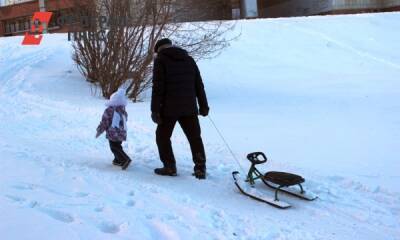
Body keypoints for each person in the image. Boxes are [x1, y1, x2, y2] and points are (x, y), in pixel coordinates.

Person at [151, 38, 209, 180]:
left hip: (168, 109)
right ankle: (200, 168)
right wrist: (203, 105)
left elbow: (158, 88)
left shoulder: (161, 60)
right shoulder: (189, 60)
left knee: (162, 137)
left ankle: (169, 167)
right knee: (195, 138)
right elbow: (198, 85)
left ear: (158, 50)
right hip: (189, 107)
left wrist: (155, 110)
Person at [96, 88, 132, 170]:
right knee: (118, 146)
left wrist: (99, 130)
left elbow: (105, 122)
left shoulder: (109, 110)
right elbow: (125, 120)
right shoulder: (123, 110)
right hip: (122, 133)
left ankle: (125, 159)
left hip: (113, 134)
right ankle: (117, 160)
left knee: (114, 147)